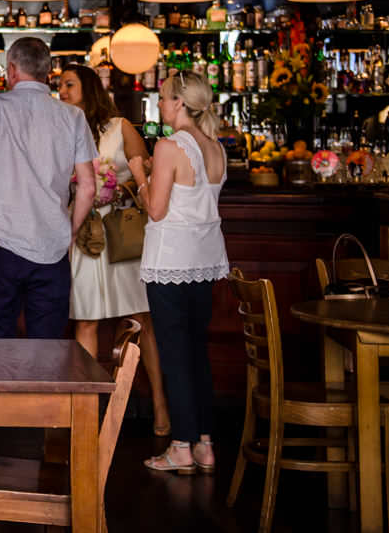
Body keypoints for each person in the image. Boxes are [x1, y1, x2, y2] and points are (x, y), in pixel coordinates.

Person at [0, 38, 98, 454]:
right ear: (48, 72)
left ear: (11, 70)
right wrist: (69, 231)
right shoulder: (72, 116)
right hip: (51, 248)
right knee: (48, 347)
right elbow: (88, 186)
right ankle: (46, 443)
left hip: (0, 242)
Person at [57, 63, 171, 437]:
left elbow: (149, 174)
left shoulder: (120, 128)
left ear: (89, 89)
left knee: (142, 320)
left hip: (122, 234)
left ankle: (160, 406)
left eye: (69, 85)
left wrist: (120, 189)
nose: (62, 92)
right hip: (83, 234)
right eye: (60, 86)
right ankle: (88, 414)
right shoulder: (62, 131)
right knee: (85, 319)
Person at [129, 71, 229, 474]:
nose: (159, 104)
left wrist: (140, 174)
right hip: (204, 260)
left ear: (180, 103)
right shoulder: (216, 147)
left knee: (174, 353)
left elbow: (155, 210)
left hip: (171, 261)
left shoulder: (168, 146)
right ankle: (204, 443)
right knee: (196, 352)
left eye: (163, 97)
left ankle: (181, 447)